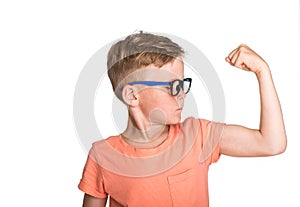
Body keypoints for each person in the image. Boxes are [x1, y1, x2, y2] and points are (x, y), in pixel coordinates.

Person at [78, 32, 287, 207]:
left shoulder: (198, 136)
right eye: (172, 86)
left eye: (182, 84)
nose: (182, 94)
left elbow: (271, 143)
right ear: (132, 96)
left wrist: (262, 71)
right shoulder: (103, 155)